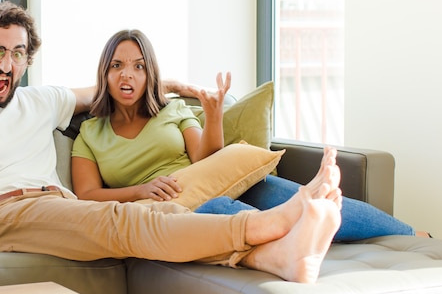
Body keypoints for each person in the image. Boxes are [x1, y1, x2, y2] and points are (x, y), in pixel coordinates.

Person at [0, 1, 342, 285]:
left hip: (63, 206)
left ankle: (275, 258)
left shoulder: (42, 99)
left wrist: (170, 85)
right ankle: (271, 223)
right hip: (2, 216)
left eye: (17, 54)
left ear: (28, 60)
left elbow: (108, 89)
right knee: (123, 219)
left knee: (163, 213)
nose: (6, 65)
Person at [71, 29, 423, 242]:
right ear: (105, 72)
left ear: (150, 74)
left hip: (215, 181)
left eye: (138, 66)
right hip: (173, 209)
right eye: (116, 66)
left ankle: (413, 236)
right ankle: (290, 229)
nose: (127, 75)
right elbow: (86, 194)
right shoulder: (90, 132)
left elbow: (206, 160)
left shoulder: (172, 110)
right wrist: (141, 190)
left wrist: (212, 115)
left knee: (307, 198)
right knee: (216, 211)